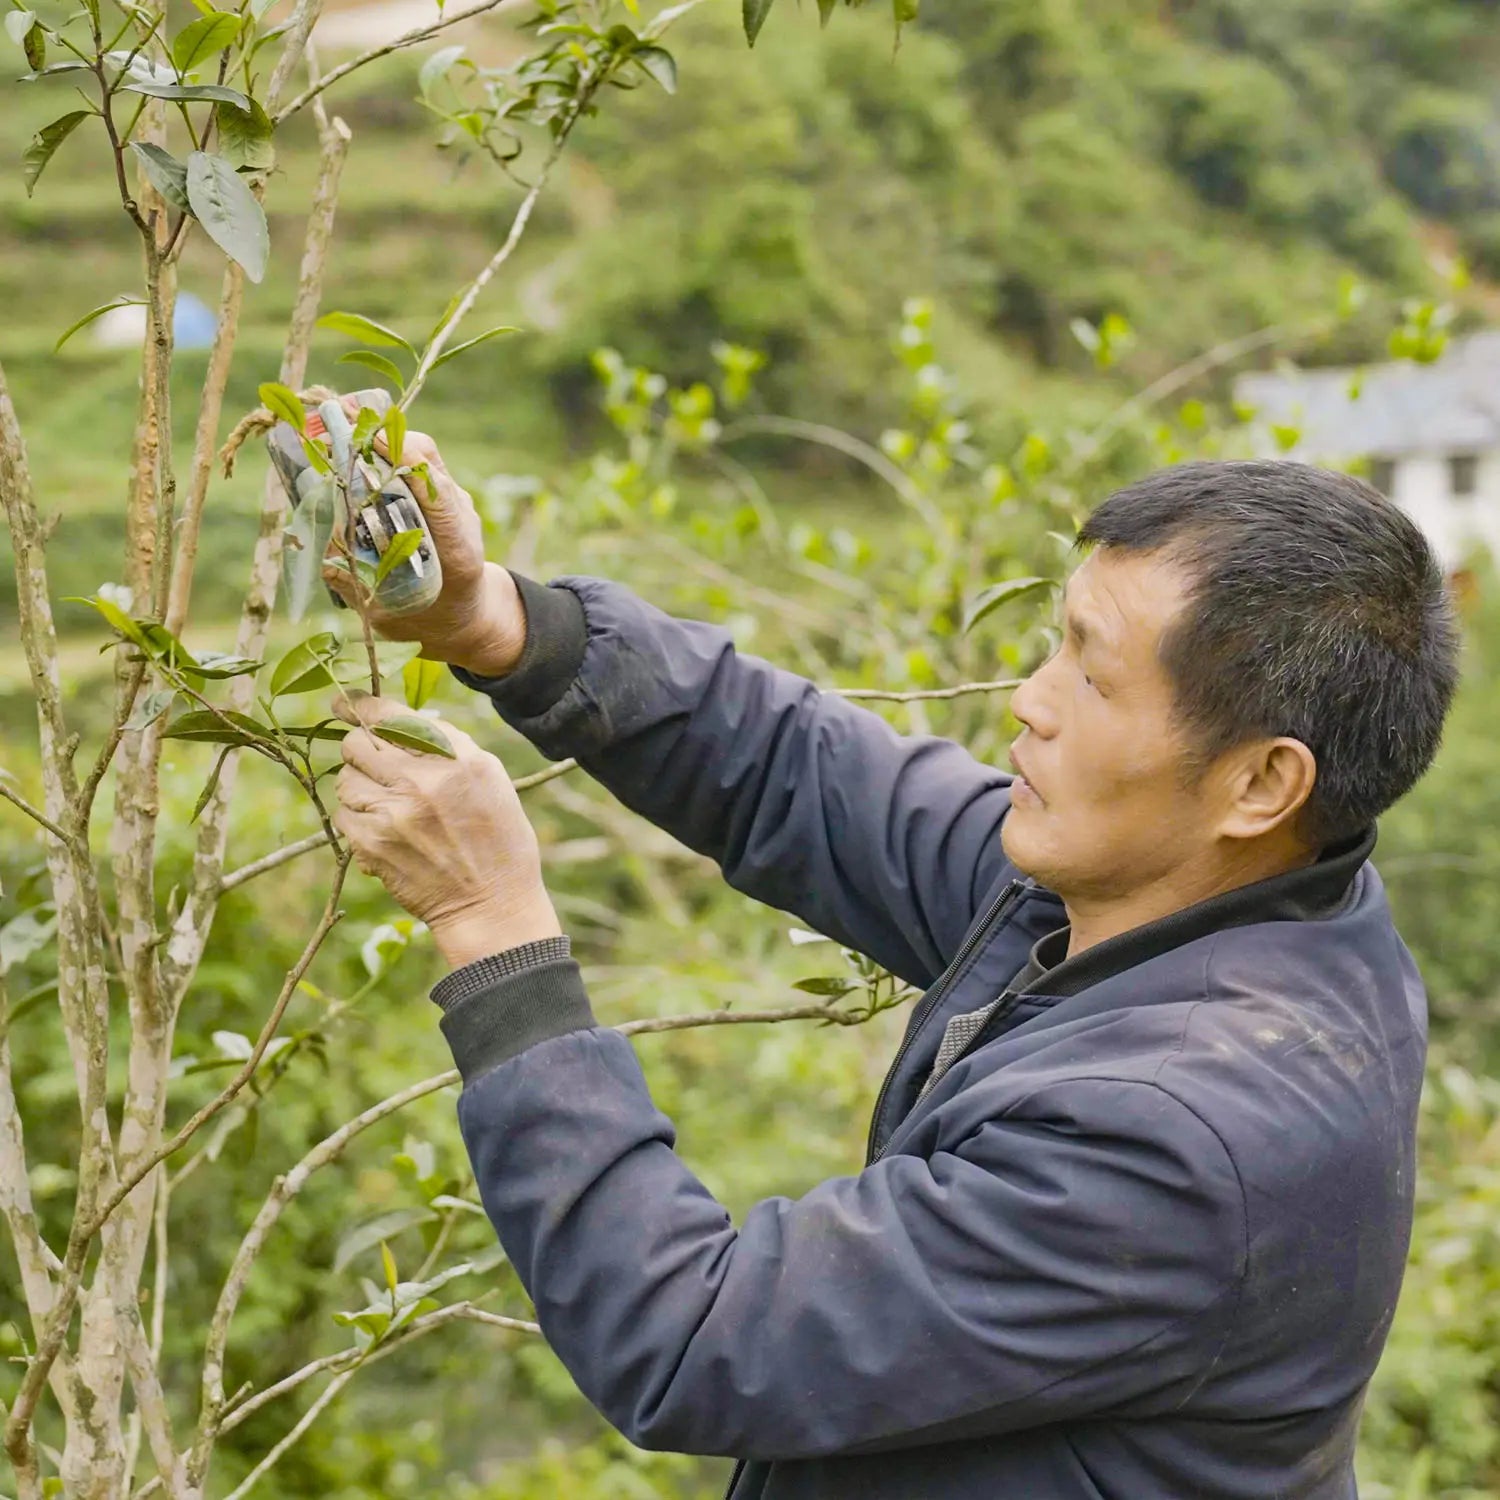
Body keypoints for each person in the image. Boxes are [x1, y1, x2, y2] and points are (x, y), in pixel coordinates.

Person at [330, 426, 1461, 1500]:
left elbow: (696, 1339)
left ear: (1262, 784)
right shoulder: (1215, 896)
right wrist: (496, 622)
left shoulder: (1185, 1143)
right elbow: (798, 775)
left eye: (1095, 679)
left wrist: (494, 923)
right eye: (1056, 645)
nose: (1030, 702)